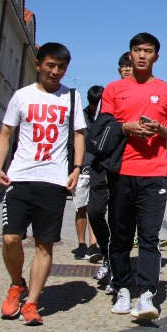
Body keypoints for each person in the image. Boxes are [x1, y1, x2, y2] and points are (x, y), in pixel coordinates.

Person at [0, 42, 86, 326]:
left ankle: (31, 302)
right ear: (38, 64)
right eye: (50, 65)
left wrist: (77, 168)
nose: (55, 72)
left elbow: (79, 135)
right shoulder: (22, 96)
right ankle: (15, 283)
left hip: (54, 180)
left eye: (61, 67)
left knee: (44, 245)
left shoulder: (71, 97)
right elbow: (6, 133)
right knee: (11, 238)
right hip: (20, 176)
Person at [101, 33, 167, 319]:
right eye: (137, 50)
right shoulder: (113, 89)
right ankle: (122, 288)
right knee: (121, 235)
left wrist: (160, 129)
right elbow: (104, 126)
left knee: (149, 236)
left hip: (153, 173)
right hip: (121, 170)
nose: (141, 55)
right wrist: (128, 127)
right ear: (130, 53)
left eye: (147, 51)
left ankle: (146, 295)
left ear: (155, 57)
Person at [89, 53, 135, 291]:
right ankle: (107, 252)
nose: (128, 70)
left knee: (121, 218)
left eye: (130, 66)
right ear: (119, 70)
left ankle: (117, 268)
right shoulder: (111, 92)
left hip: (126, 161)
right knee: (94, 211)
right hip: (102, 160)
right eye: (124, 67)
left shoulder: (140, 95)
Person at [72, 85, 103, 261]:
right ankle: (81, 244)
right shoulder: (81, 118)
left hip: (99, 167)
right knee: (81, 206)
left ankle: (93, 244)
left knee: (96, 208)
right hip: (82, 167)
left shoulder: (105, 118)